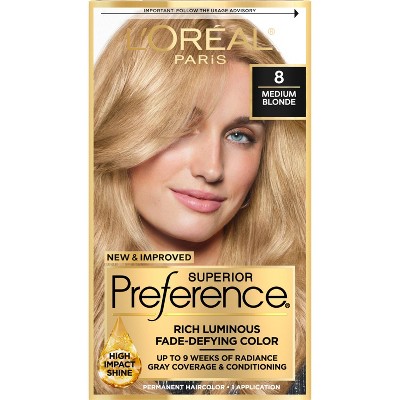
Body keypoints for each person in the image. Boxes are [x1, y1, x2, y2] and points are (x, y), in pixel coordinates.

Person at [94, 16, 306, 395]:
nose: (211, 168)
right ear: (121, 130)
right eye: (179, 126)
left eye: (239, 136)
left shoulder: (306, 317)